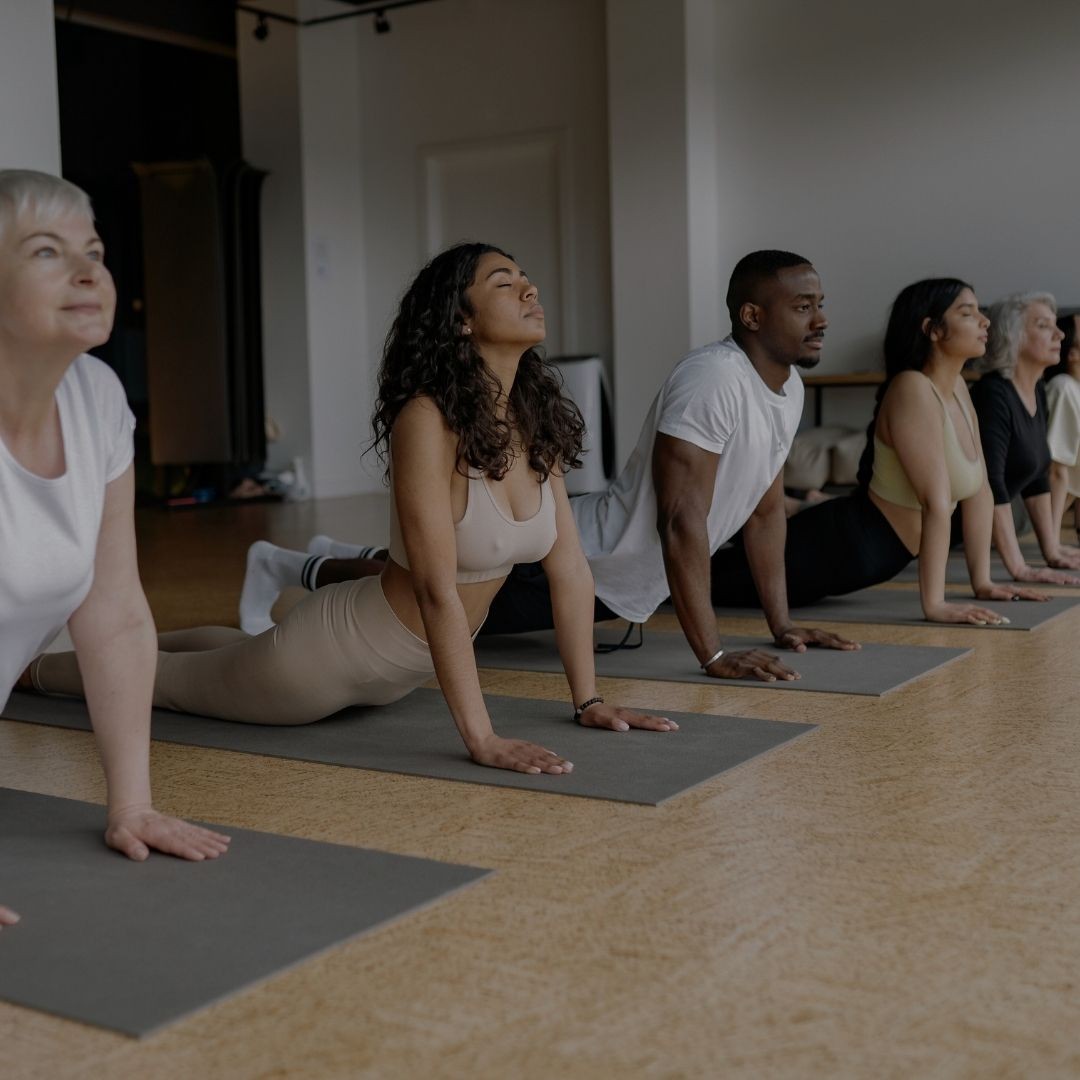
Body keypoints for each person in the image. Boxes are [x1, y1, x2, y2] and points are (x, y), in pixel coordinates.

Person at [28, 244, 675, 774]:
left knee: (223, 653)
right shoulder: (426, 420)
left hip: (390, 676)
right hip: (322, 664)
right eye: (505, 283)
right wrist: (482, 738)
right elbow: (435, 589)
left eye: (526, 278)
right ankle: (25, 669)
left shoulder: (532, 420)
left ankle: (113, 639)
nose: (530, 289)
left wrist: (587, 700)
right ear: (462, 320)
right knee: (159, 681)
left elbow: (571, 571)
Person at [240, 250, 857, 682]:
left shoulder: (787, 390)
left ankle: (319, 555)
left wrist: (782, 624)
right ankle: (287, 566)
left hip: (611, 576)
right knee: (416, 599)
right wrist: (713, 655)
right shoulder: (713, 380)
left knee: (433, 573)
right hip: (581, 559)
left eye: (819, 304)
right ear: (752, 316)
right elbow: (680, 522)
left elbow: (765, 511)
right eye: (803, 306)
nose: (821, 319)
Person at [0, 169, 230, 930]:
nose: (88, 270)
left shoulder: (95, 398)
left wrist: (132, 805)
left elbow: (115, 612)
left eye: (94, 250)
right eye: (46, 251)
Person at [710, 278, 1048, 622]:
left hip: (869, 556)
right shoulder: (912, 388)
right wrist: (935, 605)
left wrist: (983, 582)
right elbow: (935, 501)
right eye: (967, 313)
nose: (985, 321)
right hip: (838, 548)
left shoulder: (959, 387)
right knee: (700, 579)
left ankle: (781, 507)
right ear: (932, 329)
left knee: (712, 567)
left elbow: (980, 490)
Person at [969, 293, 1080, 583]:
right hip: (939, 535)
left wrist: (1052, 550)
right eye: (1043, 326)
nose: (1059, 334)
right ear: (1013, 337)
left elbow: (1036, 476)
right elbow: (989, 483)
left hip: (981, 532)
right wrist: (1019, 568)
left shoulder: (1037, 389)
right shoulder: (993, 394)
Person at [1045, 313, 1080, 544]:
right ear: (1072, 354)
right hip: (1030, 516)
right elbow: (1055, 470)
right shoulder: (1063, 388)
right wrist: (1052, 545)